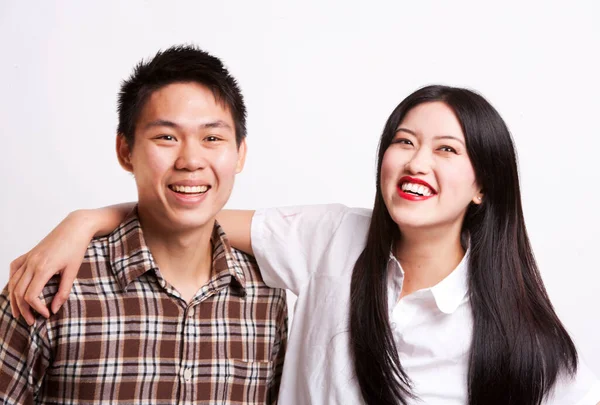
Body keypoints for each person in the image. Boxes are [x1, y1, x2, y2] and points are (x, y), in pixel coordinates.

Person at [8, 85, 600, 404]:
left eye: (447, 149)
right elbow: (191, 206)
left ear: (483, 186)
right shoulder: (331, 236)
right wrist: (83, 221)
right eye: (404, 141)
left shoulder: (530, 344)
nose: (417, 161)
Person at [0, 45, 287, 404]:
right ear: (126, 151)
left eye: (212, 138)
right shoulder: (51, 284)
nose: (191, 160)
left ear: (240, 153)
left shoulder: (264, 293)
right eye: (166, 137)